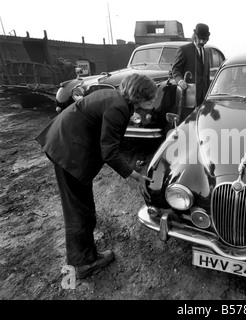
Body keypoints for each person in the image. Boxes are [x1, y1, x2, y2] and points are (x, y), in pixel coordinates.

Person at [35, 73, 157, 279]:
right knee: (79, 210)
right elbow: (109, 152)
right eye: (151, 98)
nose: (153, 103)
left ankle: (84, 255)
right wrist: (135, 175)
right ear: (139, 96)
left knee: (81, 205)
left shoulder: (114, 97)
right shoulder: (118, 107)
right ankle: (82, 264)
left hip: (64, 142)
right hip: (68, 151)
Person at [172, 23, 211, 108]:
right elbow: (175, 69)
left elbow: (206, 77)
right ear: (194, 36)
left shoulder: (207, 54)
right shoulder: (184, 50)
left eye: (204, 39)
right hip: (188, 95)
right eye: (200, 38)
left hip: (203, 98)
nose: (201, 42)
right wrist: (180, 80)